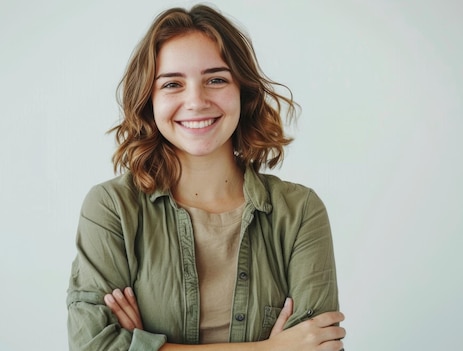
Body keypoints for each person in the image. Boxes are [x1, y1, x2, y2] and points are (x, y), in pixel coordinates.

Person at [66, 4, 345, 351]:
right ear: (148, 99)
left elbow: (319, 347)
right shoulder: (112, 208)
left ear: (243, 90)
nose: (196, 101)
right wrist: (267, 349)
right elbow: (93, 346)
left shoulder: (300, 211)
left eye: (216, 79)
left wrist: (144, 345)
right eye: (172, 84)